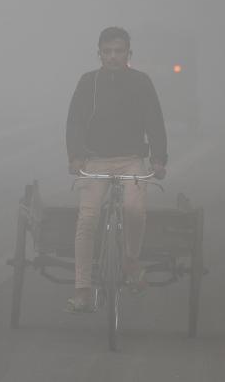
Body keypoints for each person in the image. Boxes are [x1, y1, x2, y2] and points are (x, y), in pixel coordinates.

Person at [64, 26, 168, 313]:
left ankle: (130, 261)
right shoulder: (89, 83)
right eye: (107, 51)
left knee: (134, 209)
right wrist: (75, 157)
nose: (113, 57)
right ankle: (82, 290)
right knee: (87, 221)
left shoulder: (141, 82)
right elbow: (75, 122)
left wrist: (159, 159)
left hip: (131, 160)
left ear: (128, 54)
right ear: (99, 54)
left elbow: (155, 122)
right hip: (95, 161)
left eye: (118, 51)